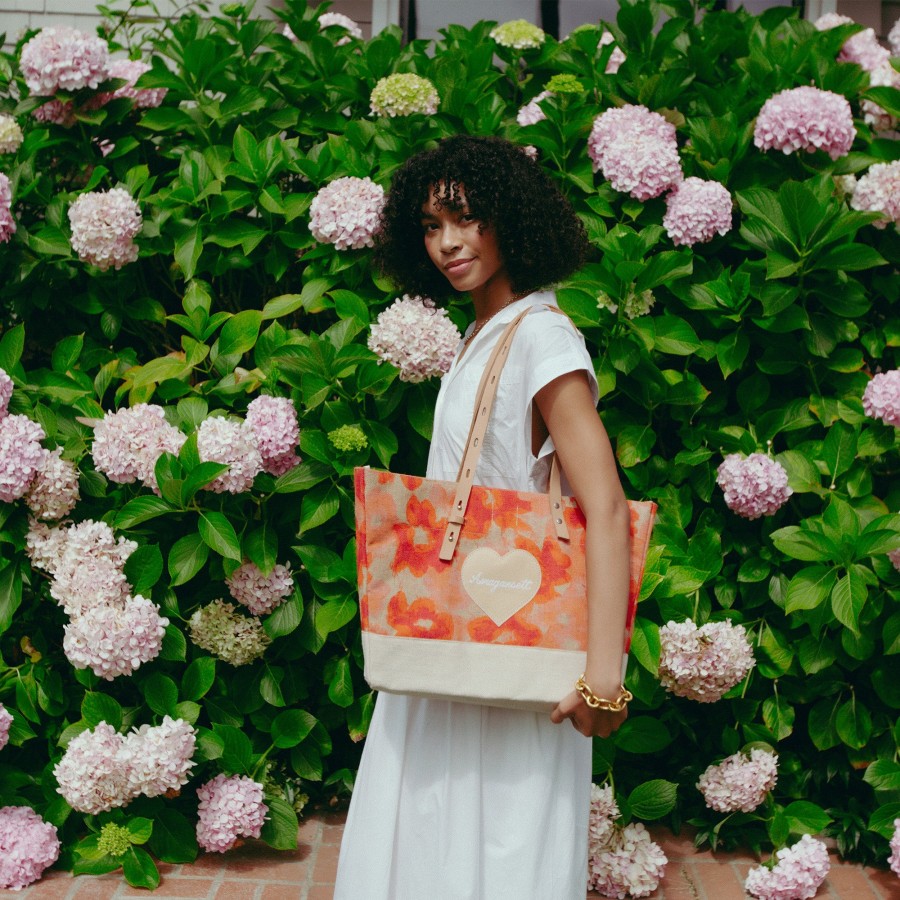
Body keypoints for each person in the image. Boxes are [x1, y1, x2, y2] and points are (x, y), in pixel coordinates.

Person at [334, 135, 632, 899]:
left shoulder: (542, 337)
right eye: (431, 226)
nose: (447, 243)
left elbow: (601, 504)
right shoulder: (484, 335)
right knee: (438, 835)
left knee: (500, 841)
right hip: (450, 641)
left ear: (513, 220)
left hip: (515, 647)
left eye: (464, 218)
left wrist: (604, 678)